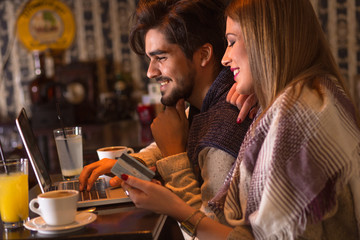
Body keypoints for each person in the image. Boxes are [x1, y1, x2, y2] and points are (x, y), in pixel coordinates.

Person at [119, 0, 360, 239]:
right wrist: (124, 165)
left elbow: (223, 231)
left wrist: (175, 202)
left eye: (232, 42)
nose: (225, 58)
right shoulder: (311, 95)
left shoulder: (293, 118)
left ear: (265, 42)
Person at [79, 0, 253, 223]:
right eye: (150, 59)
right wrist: (125, 167)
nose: (150, 72)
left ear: (204, 55)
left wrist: (174, 155)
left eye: (161, 58)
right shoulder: (203, 107)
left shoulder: (224, 128)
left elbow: (208, 229)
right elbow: (161, 152)